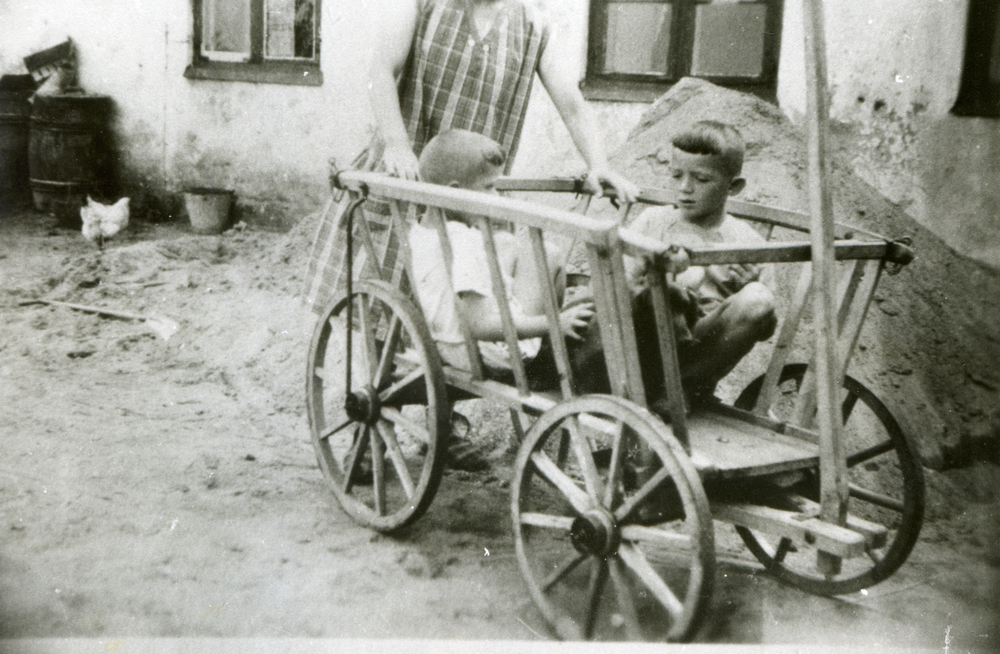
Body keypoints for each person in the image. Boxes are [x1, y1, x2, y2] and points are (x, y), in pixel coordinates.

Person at [304, 0, 637, 316]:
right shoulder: (423, 5)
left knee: (470, 307)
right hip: (406, 177)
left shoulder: (533, 24)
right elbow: (382, 71)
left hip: (474, 198)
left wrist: (598, 165)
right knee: (387, 301)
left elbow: (573, 106)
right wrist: (396, 143)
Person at [409, 129, 596, 389]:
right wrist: (553, 323)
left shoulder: (422, 230)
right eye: (489, 187)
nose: (496, 197)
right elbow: (479, 325)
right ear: (454, 191)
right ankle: (553, 339)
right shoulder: (462, 242)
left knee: (508, 243)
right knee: (548, 255)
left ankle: (543, 330)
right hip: (489, 353)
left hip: (445, 344)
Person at [626, 121, 778, 407]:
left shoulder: (748, 242)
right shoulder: (651, 221)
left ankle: (677, 391)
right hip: (644, 348)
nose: (685, 188)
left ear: (734, 187)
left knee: (758, 297)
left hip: (699, 356)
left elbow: (766, 329)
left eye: (701, 179)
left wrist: (749, 286)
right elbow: (619, 290)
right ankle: (658, 389)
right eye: (676, 175)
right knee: (685, 275)